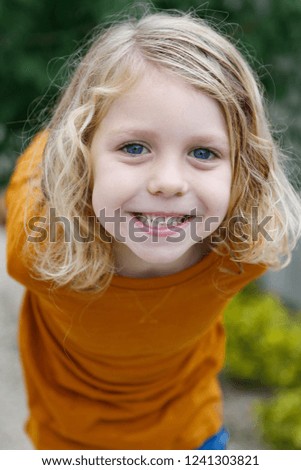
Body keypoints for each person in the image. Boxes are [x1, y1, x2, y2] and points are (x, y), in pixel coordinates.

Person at [5, 10, 301, 450]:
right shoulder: (38, 248)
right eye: (135, 147)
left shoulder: (243, 255)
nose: (169, 182)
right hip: (70, 444)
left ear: (246, 170)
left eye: (202, 152)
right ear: (79, 155)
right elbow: (44, 159)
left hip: (192, 434)